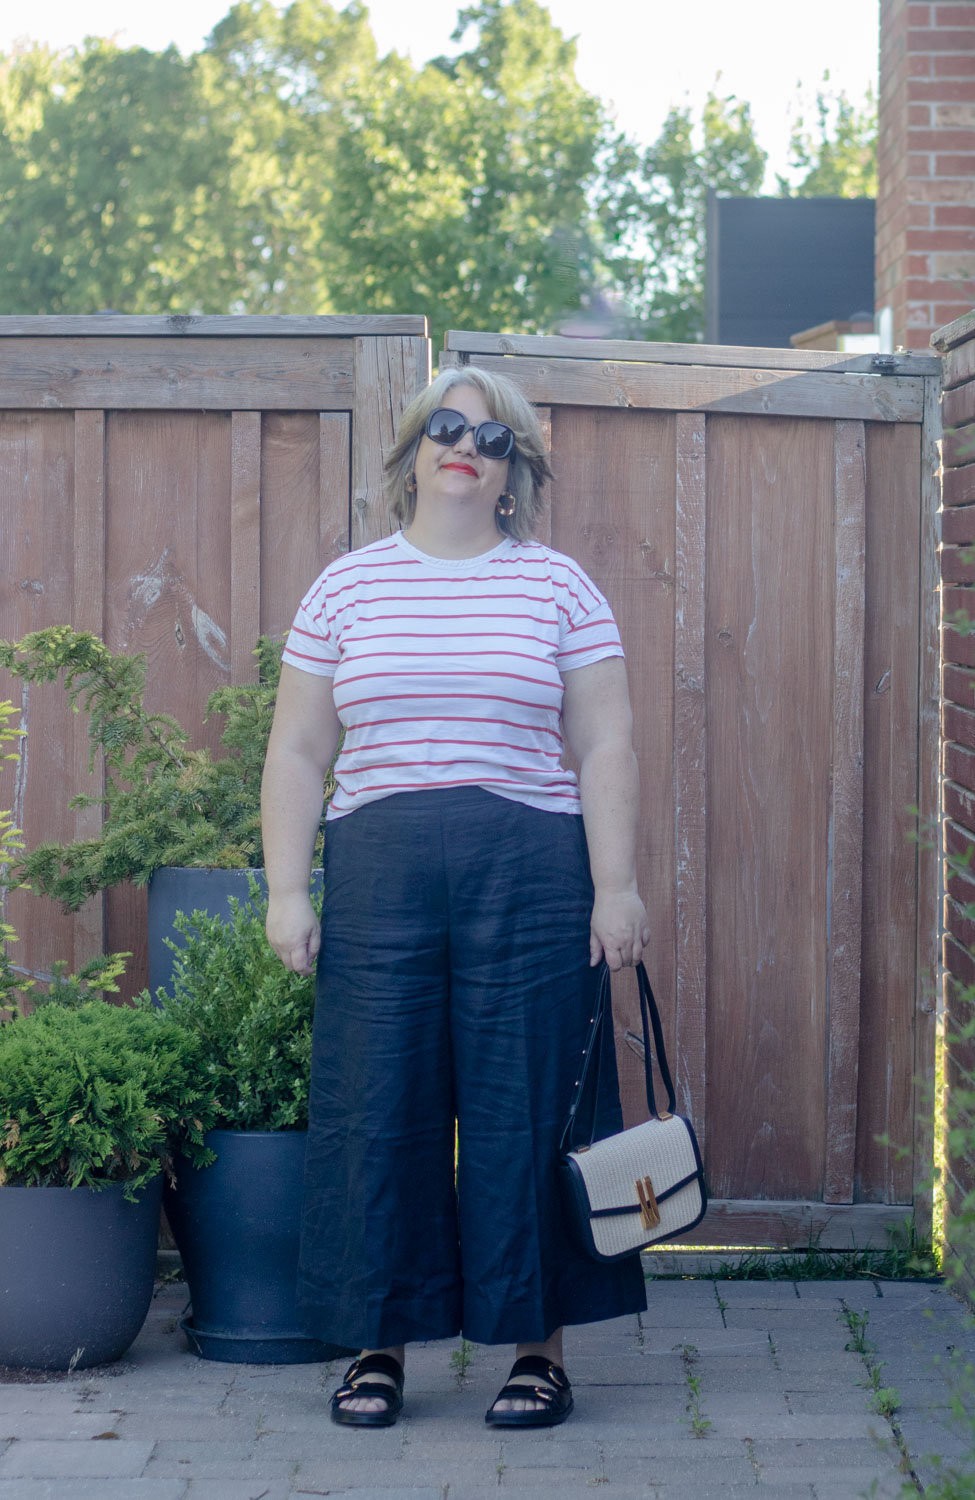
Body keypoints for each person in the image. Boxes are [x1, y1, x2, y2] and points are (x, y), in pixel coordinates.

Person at [260, 366, 651, 1430]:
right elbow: (298, 749)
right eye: (445, 428)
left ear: (514, 469)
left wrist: (614, 887)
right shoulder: (347, 587)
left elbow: (604, 742)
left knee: (530, 1109)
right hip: (379, 870)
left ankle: (540, 1351)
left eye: (491, 436)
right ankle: (376, 1350)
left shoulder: (561, 587)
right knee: (376, 1106)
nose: (464, 446)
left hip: (529, 872)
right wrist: (287, 890)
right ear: (412, 453)